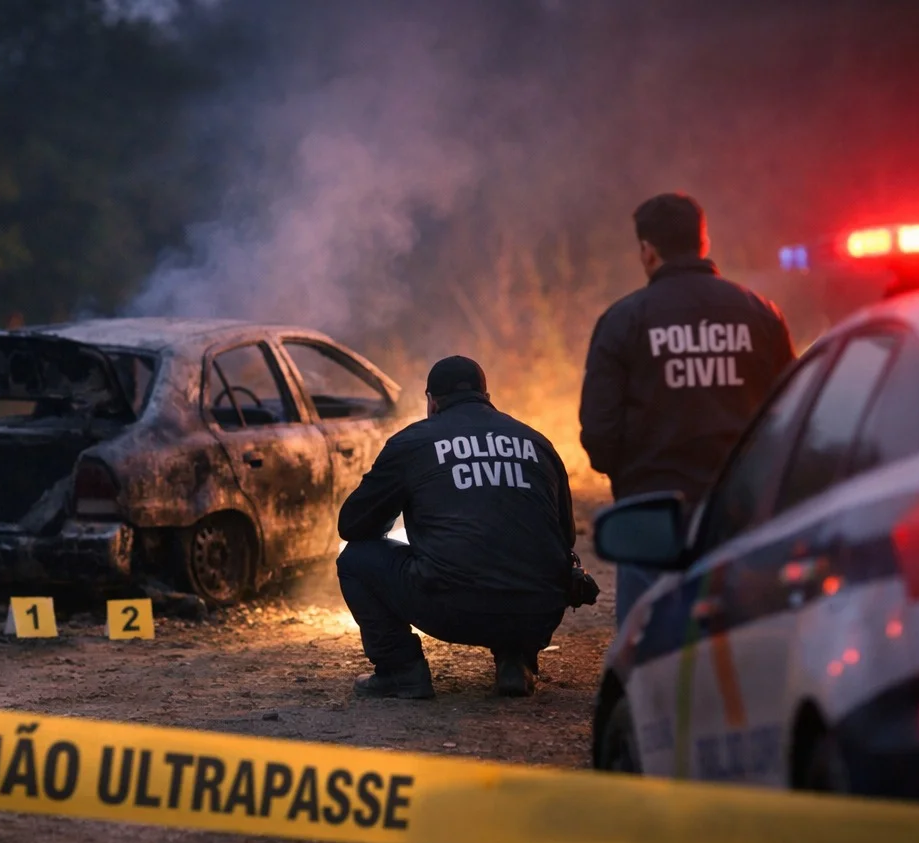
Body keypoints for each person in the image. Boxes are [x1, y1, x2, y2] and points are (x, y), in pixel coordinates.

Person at [579, 193, 795, 624]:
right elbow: (790, 413)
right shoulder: (760, 313)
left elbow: (600, 432)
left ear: (647, 250)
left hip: (653, 516)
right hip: (743, 509)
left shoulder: (624, 320)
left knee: (649, 646)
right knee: (745, 637)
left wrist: (631, 478)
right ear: (704, 240)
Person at [336, 356, 581, 700]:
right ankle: (516, 658)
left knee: (355, 560)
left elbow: (352, 526)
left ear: (431, 402)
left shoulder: (413, 442)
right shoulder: (537, 442)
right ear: (487, 396)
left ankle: (400, 670)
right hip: (538, 612)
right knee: (519, 558)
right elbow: (565, 536)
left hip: (454, 609)